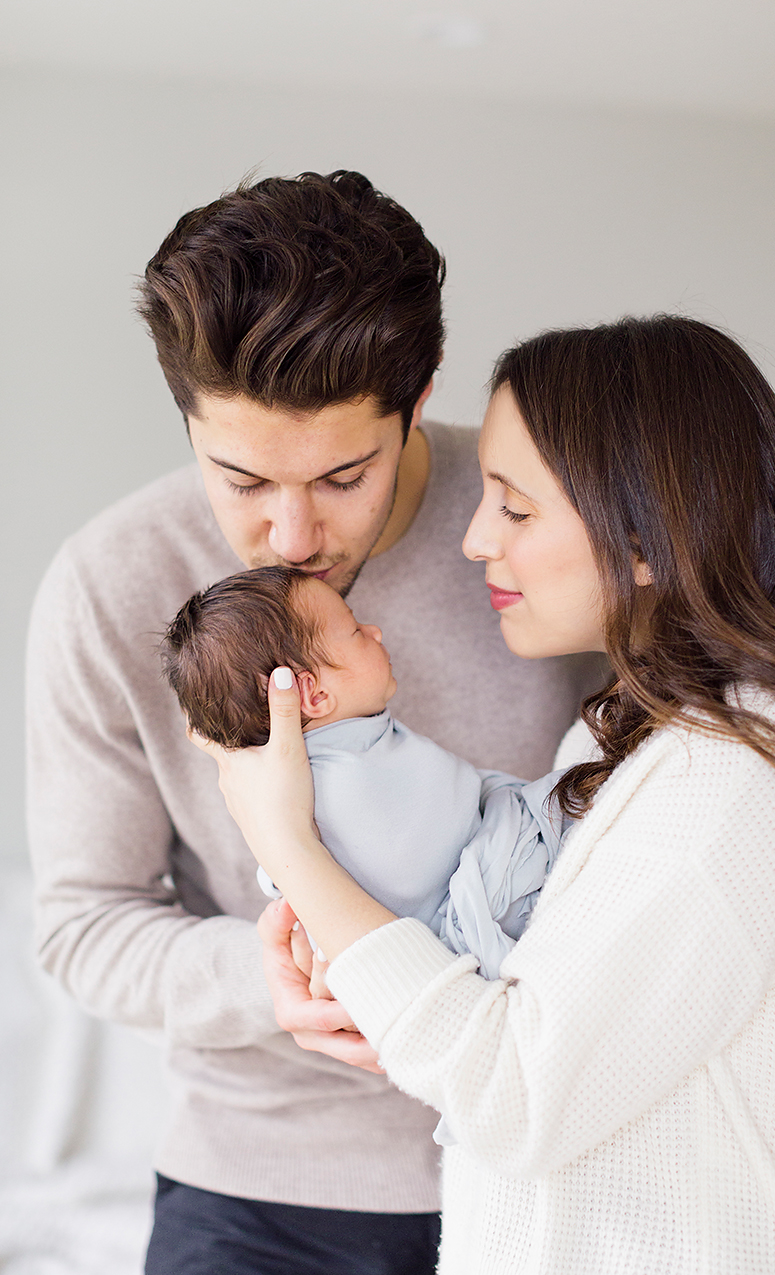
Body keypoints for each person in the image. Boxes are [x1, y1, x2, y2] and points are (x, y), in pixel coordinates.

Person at [26, 171, 605, 1275]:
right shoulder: (108, 585)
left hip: (553, 1169)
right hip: (259, 1195)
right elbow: (83, 928)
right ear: (184, 418)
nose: (289, 533)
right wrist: (275, 980)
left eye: (344, 475)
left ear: (418, 393)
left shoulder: (547, 527)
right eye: (239, 477)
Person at [196, 315, 775, 1274]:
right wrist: (390, 986)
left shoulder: (723, 790)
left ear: (644, 535)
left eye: (513, 506)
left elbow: (510, 1094)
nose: (472, 538)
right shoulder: (638, 731)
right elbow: (544, 1038)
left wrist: (286, 841)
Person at [161, 565, 565, 990]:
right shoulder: (323, 792)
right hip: (470, 913)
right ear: (314, 694)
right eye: (355, 630)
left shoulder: (347, 747)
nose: (375, 631)